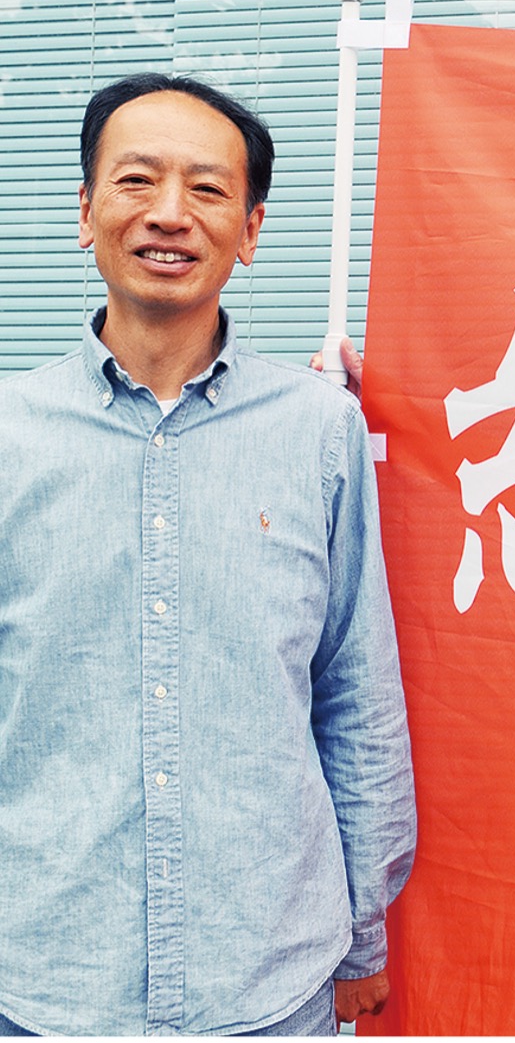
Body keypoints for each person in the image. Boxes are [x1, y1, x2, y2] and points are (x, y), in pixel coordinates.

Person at [0, 73, 416, 1036]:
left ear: (251, 230)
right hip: (46, 979)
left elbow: (357, 694)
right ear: (86, 211)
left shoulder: (318, 429)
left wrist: (363, 933)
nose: (169, 214)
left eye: (208, 188)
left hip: (269, 979)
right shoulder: (10, 433)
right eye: (137, 180)